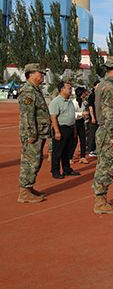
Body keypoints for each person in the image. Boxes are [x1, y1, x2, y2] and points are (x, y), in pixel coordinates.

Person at [92, 56, 113, 215]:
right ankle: (100, 201)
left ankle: (101, 199)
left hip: (104, 130)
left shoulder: (103, 84)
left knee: (103, 165)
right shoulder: (109, 87)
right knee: (107, 167)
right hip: (108, 131)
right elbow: (108, 113)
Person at [17, 64, 51, 203]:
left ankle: (29, 187)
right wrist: (31, 134)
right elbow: (27, 115)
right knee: (30, 161)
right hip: (33, 133)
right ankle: (24, 191)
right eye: (39, 73)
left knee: (36, 160)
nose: (42, 75)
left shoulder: (35, 90)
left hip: (39, 132)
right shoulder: (28, 91)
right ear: (30, 74)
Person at [48, 81, 80, 179]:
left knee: (67, 151)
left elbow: (72, 116)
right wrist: (57, 132)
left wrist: (74, 130)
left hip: (70, 128)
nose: (71, 90)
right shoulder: (56, 102)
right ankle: (55, 171)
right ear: (62, 89)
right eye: (69, 88)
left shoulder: (70, 101)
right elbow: (53, 118)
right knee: (58, 152)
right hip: (61, 128)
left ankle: (67, 169)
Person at [71, 86, 89, 165]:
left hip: (81, 122)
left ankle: (83, 157)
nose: (85, 94)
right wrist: (81, 113)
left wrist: (85, 115)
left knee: (83, 140)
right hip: (74, 123)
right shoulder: (73, 103)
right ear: (81, 94)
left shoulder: (84, 102)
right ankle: (70, 157)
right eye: (84, 93)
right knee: (74, 141)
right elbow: (72, 114)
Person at [86, 80, 99, 157]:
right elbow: (90, 107)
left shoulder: (100, 95)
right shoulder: (92, 96)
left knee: (98, 134)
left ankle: (96, 149)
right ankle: (91, 149)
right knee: (92, 134)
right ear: (94, 86)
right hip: (94, 118)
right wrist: (93, 117)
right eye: (98, 85)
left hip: (99, 117)